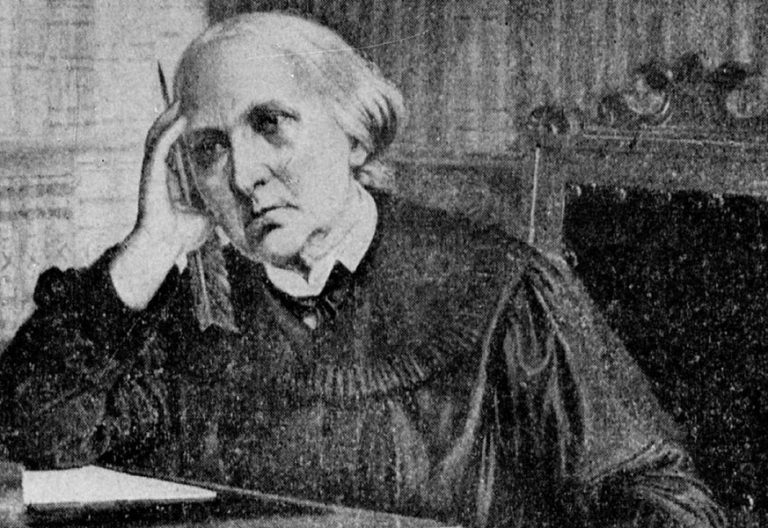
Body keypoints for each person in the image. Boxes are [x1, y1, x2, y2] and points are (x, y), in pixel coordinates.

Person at [0, 12, 725, 528]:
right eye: (210, 149)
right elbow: (30, 434)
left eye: (269, 124)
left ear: (352, 132)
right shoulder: (189, 306)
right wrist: (151, 244)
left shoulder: (501, 290)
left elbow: (668, 502)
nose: (244, 175)